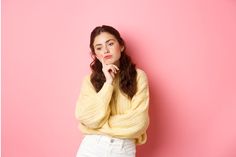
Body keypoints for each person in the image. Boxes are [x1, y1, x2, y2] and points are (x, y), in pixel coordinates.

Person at [75, 25, 150, 157]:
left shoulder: (138, 77)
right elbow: (87, 118)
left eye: (110, 44)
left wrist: (99, 125)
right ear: (95, 54)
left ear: (121, 46)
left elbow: (139, 123)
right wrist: (108, 83)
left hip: (122, 149)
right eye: (99, 48)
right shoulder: (89, 81)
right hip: (91, 148)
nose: (105, 50)